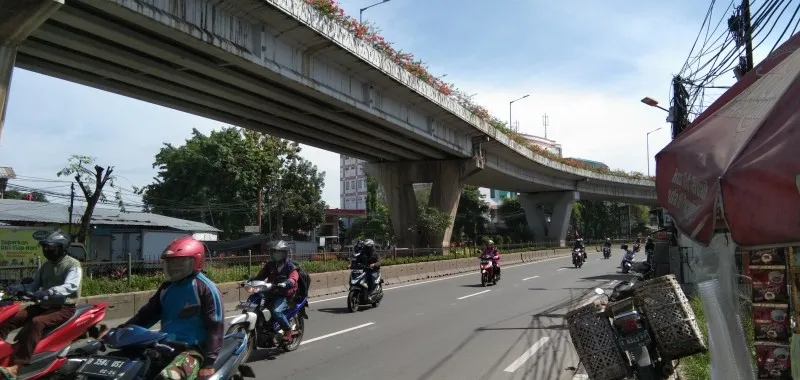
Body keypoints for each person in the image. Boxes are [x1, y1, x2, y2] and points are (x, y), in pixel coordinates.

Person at [117, 236, 223, 380]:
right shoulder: (167, 288)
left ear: (196, 261)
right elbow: (145, 316)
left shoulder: (205, 288)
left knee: (168, 377)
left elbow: (215, 327)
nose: (174, 267)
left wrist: (209, 363)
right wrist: (120, 331)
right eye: (171, 263)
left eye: (180, 263)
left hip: (194, 350)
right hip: (164, 346)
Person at [0, 231, 82, 378]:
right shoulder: (46, 266)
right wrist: (19, 288)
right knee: (14, 316)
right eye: (44, 247)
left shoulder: (73, 264)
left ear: (61, 248)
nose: (46, 251)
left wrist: (48, 292)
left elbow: (70, 286)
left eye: (50, 248)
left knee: (36, 322)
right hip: (43, 305)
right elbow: (33, 284)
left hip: (63, 308)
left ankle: (17, 366)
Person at [251, 240, 299, 342]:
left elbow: (293, 278)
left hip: (284, 294)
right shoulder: (270, 265)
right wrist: (250, 281)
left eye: (279, 252)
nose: (276, 254)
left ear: (284, 253)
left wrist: (287, 282)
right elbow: (260, 276)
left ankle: (287, 330)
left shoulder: (290, 266)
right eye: (274, 252)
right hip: (270, 292)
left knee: (276, 312)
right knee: (256, 306)